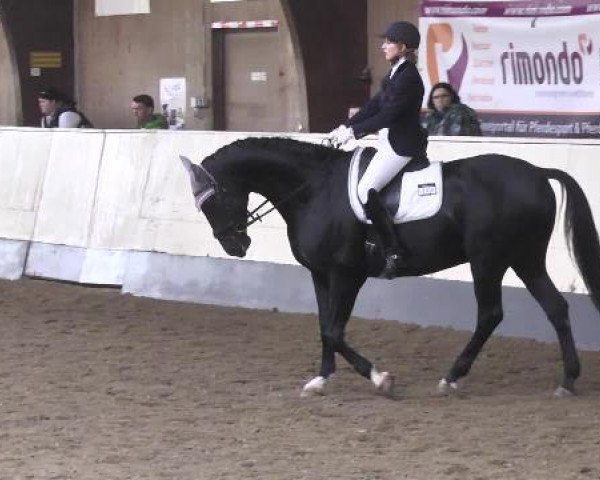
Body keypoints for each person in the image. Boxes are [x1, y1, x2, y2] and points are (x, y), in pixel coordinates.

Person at [328, 21, 427, 278]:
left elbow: (389, 115)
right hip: (388, 141)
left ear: (403, 47)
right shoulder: (394, 74)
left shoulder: (409, 78)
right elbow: (374, 106)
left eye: (389, 42)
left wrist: (355, 133)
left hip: (402, 145)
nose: (383, 46)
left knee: (366, 189)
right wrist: (345, 126)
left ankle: (393, 251)